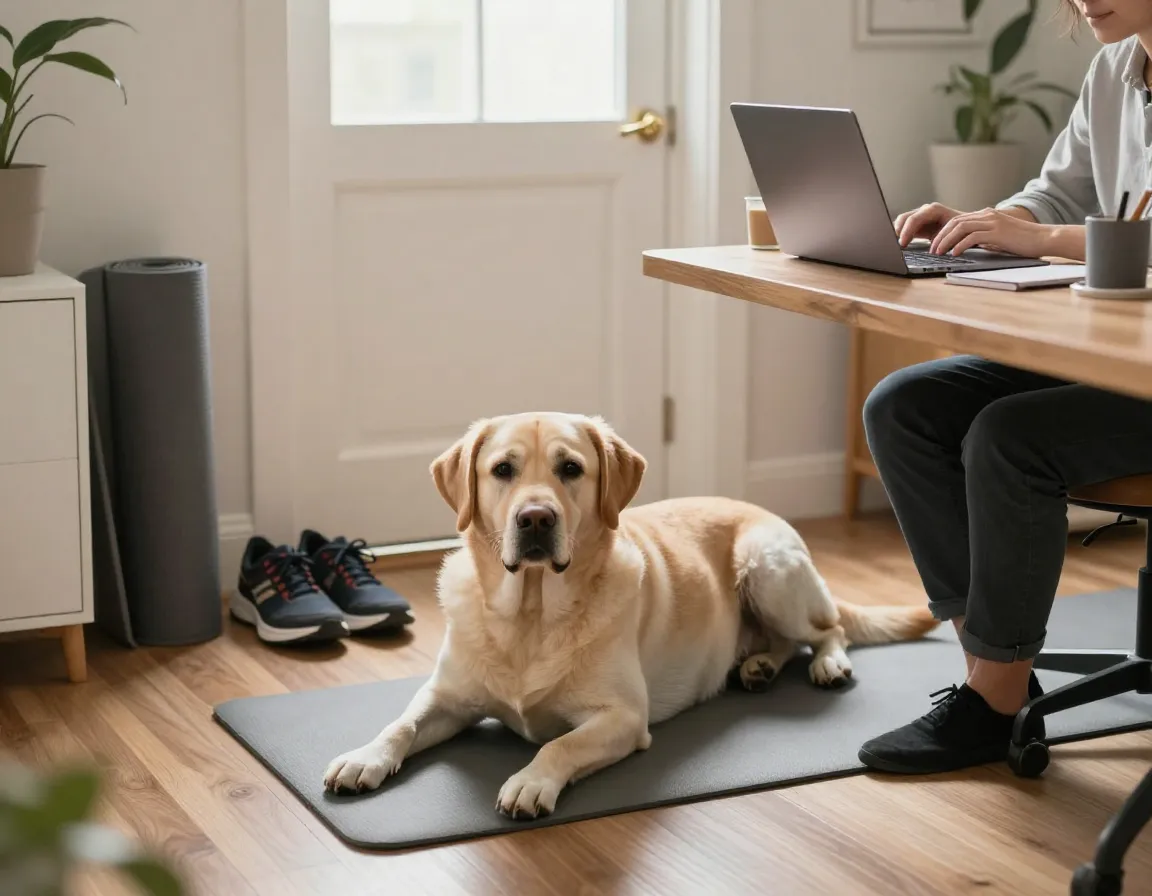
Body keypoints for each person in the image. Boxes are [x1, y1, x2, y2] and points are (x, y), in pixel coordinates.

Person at [858, 0, 1152, 775]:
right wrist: (984, 221)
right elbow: (1059, 194)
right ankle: (997, 681)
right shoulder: (1116, 70)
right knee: (905, 408)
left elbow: (1075, 232)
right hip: (1120, 353)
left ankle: (991, 704)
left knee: (1010, 438)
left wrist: (1042, 238)